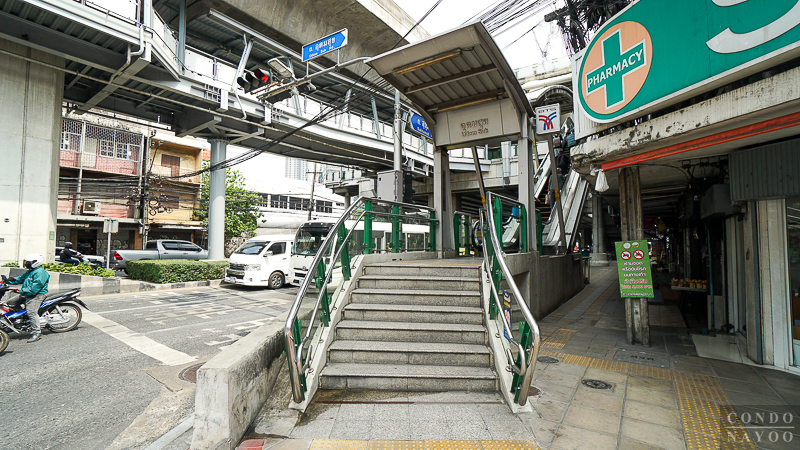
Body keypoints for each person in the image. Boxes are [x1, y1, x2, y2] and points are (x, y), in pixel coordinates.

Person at [3, 253, 49, 342]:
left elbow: (33, 290)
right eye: (26, 262)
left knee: (31, 312)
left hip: (37, 295)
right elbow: (20, 278)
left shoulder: (40, 273)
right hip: (27, 293)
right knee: (10, 303)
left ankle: (36, 332)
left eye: (28, 262)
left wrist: (18, 291)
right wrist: (9, 280)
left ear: (36, 262)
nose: (26, 264)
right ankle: (23, 319)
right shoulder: (31, 271)